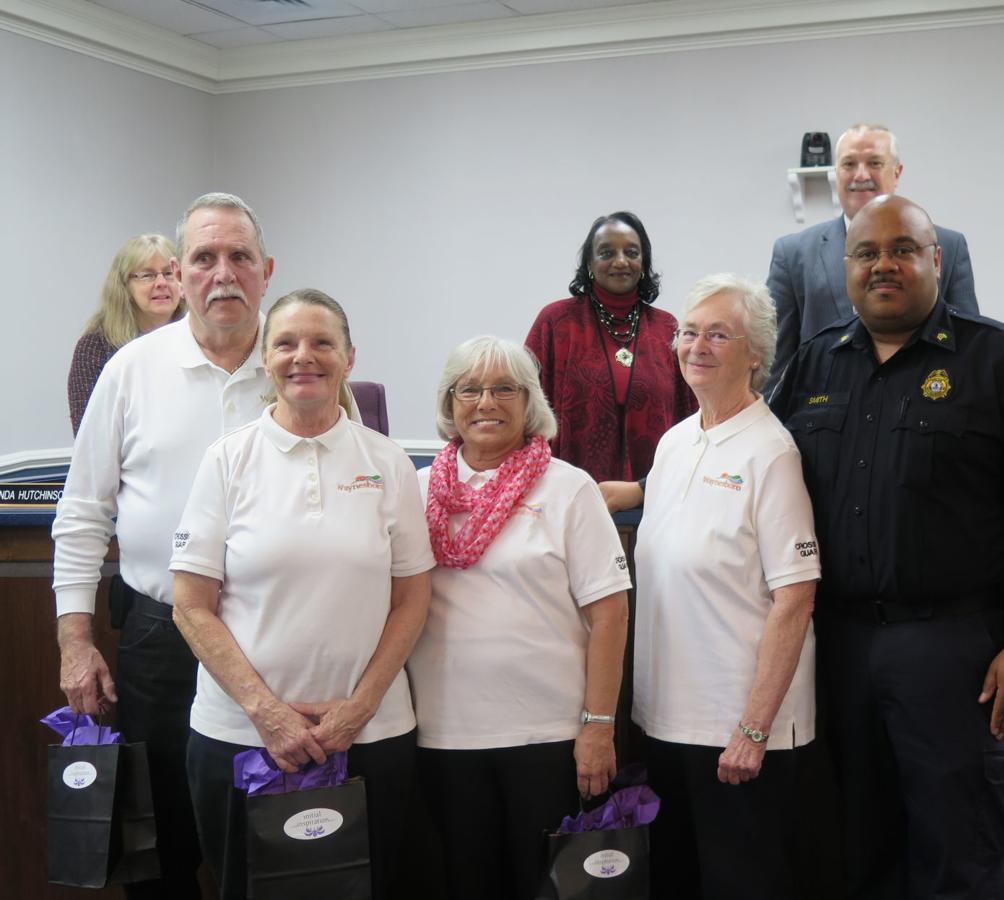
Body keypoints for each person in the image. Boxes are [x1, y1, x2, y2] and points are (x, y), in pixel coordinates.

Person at [769, 195, 1004, 899]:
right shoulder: (815, 367)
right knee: (859, 852)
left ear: (935, 260)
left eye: (903, 249)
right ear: (846, 266)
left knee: (960, 857)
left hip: (960, 654)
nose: (884, 264)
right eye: (866, 252)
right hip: (841, 650)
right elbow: (747, 462)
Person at [169, 289, 433, 900]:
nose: (302, 357)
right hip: (241, 736)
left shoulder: (388, 463)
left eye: (322, 343)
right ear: (266, 358)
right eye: (285, 343)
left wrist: (358, 709)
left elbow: (412, 600)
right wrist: (269, 713)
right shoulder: (227, 461)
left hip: (371, 735)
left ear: (349, 357)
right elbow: (191, 603)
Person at [53, 192, 279, 899]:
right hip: (161, 636)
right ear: (179, 274)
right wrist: (75, 640)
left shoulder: (299, 363)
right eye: (204, 258)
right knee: (160, 841)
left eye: (239, 256)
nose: (223, 273)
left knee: (272, 831)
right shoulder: (131, 370)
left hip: (278, 633)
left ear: (266, 270)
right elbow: (83, 512)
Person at [407, 336, 631, 900]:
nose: (486, 401)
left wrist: (598, 727)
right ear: (449, 403)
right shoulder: (412, 492)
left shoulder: (569, 488)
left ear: (530, 403)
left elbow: (610, 615)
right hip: (443, 734)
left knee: (550, 887)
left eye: (504, 388)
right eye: (470, 389)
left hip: (549, 736)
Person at [632, 274, 822, 899]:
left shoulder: (772, 452)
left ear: (756, 354)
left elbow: (795, 600)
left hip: (738, 733)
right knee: (678, 882)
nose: (698, 346)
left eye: (719, 334)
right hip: (664, 721)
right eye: (689, 332)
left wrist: (755, 728)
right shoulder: (675, 442)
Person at [764, 123, 978, 397]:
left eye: (874, 163)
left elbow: (967, 343)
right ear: (836, 173)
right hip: (823, 421)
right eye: (849, 164)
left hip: (923, 411)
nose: (861, 174)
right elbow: (777, 363)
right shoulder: (793, 253)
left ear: (896, 172)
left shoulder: (947, 245)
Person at [525, 211, 696, 485]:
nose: (620, 261)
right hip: (569, 491)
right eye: (606, 253)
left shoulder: (666, 328)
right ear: (589, 264)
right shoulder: (555, 323)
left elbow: (689, 415)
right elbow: (525, 407)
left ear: (643, 262)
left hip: (653, 493)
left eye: (631, 252)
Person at [68, 233, 184, 434]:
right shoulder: (95, 348)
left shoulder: (198, 340)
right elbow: (89, 437)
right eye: (147, 275)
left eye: (168, 273)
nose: (161, 283)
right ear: (124, 287)